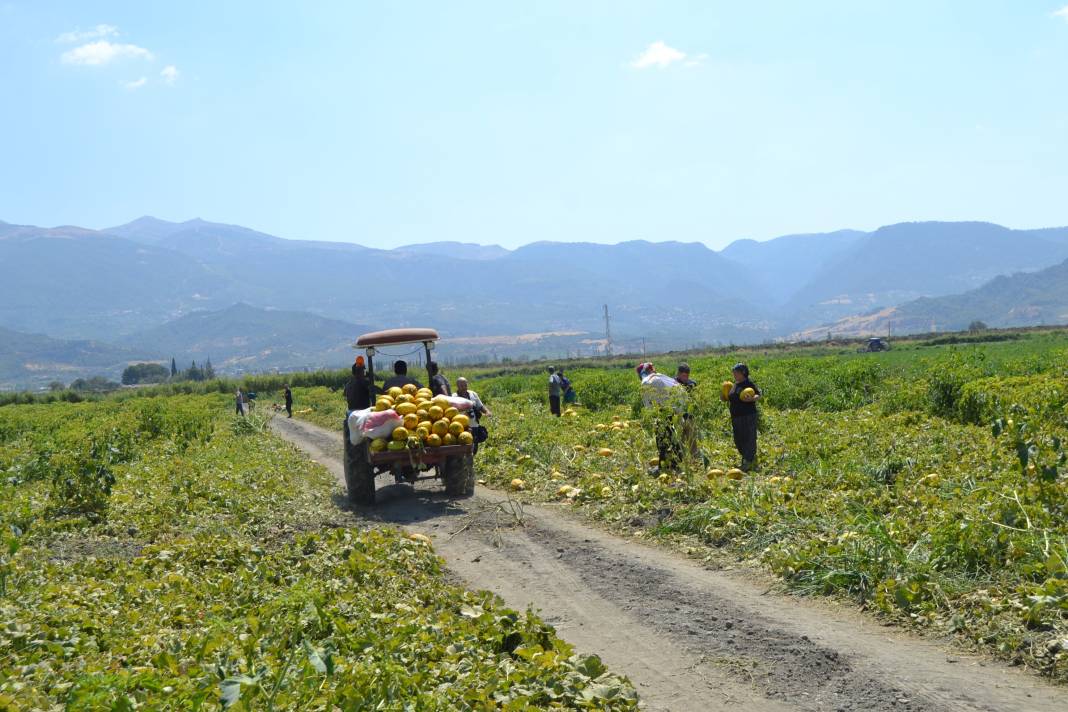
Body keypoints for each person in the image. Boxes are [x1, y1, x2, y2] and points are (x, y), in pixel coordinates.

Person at [637, 362, 685, 473]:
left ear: (642, 374)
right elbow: (678, 390)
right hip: (673, 410)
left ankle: (666, 467)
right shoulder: (661, 377)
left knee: (662, 440)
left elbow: (648, 405)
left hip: (662, 412)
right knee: (672, 437)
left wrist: (651, 417)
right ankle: (675, 464)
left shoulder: (646, 382)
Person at [727, 363, 762, 471]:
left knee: (749, 437)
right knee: (738, 439)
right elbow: (730, 397)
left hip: (748, 415)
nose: (734, 374)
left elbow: (758, 394)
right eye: (734, 373)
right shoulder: (734, 385)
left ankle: (749, 461)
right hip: (736, 416)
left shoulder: (748, 383)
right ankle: (746, 457)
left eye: (736, 373)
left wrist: (751, 399)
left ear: (743, 373)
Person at [455, 376, 492, 453]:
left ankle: (472, 461)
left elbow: (480, 406)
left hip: (474, 425)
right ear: (457, 386)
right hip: (461, 427)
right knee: (463, 447)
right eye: (461, 386)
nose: (464, 387)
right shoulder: (454, 397)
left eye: (465, 385)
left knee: (474, 448)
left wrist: (487, 412)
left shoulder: (473, 394)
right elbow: (452, 412)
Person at [675, 363, 701, 460]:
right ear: (678, 374)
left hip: (689, 417)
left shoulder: (692, 384)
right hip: (677, 417)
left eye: (687, 375)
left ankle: (695, 461)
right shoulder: (672, 384)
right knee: (679, 441)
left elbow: (696, 399)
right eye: (683, 375)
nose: (686, 378)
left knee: (692, 440)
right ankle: (681, 461)